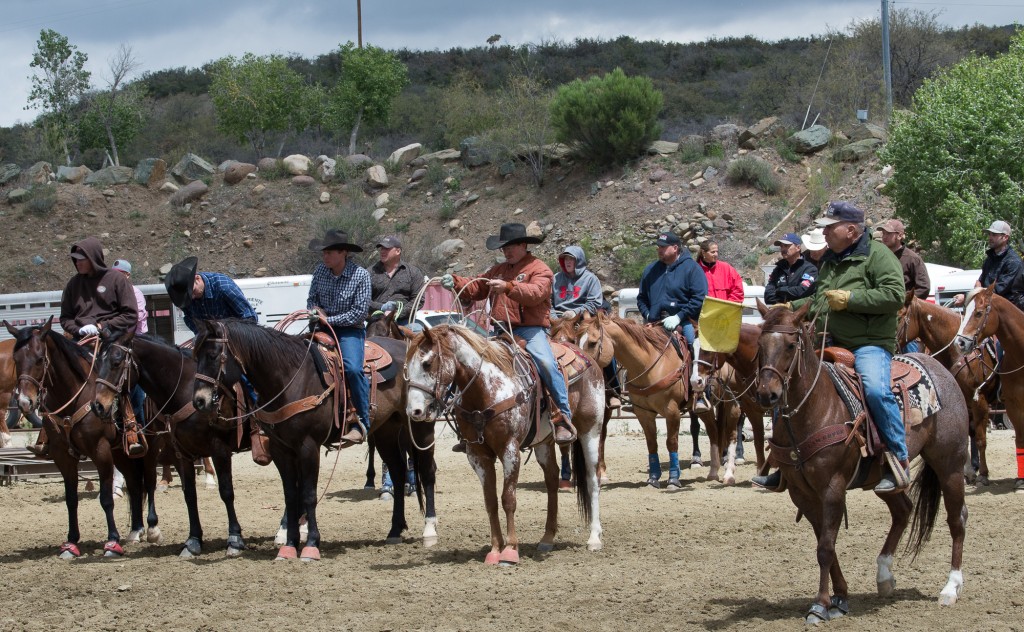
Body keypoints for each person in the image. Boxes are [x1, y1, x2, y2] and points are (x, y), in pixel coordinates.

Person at [754, 201, 908, 493]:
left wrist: (851, 299)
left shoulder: (879, 256)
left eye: (829, 227)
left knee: (875, 388)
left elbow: (894, 295)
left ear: (850, 230)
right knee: (787, 385)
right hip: (831, 341)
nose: (823, 233)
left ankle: (897, 460)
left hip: (869, 344)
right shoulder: (831, 261)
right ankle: (783, 461)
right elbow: (822, 300)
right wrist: (790, 307)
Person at [441, 222, 577, 445]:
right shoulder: (498, 270)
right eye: (504, 247)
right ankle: (468, 421)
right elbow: (477, 286)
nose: (506, 251)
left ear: (523, 245)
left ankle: (562, 415)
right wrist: (456, 282)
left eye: (510, 246)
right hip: (500, 329)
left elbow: (536, 293)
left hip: (531, 330)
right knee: (469, 364)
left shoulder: (540, 268)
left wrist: (509, 288)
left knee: (546, 363)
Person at [29, 238, 139, 457]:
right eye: (75, 259)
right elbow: (66, 317)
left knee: (121, 376)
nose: (77, 263)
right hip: (80, 338)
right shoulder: (73, 284)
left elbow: (130, 314)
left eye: (81, 259)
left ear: (93, 258)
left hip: (112, 339)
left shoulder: (117, 280)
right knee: (55, 371)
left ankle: (131, 427)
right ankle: (47, 432)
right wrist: (79, 330)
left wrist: (102, 326)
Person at [637, 230, 707, 469]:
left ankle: (698, 393)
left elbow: (699, 298)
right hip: (654, 322)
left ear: (676, 248)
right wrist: (647, 315)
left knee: (693, 347)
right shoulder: (651, 270)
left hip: (684, 322)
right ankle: (632, 391)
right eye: (658, 246)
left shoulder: (691, 269)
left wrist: (679, 315)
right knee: (635, 353)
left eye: (663, 247)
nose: (659, 250)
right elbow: (641, 298)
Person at [306, 229, 372, 445]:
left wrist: (329, 320)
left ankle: (361, 421)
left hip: (349, 330)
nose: (325, 257)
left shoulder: (360, 275)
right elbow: (312, 299)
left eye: (329, 253)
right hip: (321, 329)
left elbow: (359, 313)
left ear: (344, 253)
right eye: (323, 253)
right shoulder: (320, 272)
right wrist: (314, 311)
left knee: (352, 368)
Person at [696, 240, 746, 464]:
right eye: (713, 252)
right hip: (703, 323)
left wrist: (727, 309)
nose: (717, 254)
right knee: (696, 354)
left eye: (717, 251)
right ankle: (699, 394)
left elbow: (738, 291)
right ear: (704, 253)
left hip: (725, 322)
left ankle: (745, 388)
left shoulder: (727, 269)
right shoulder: (695, 271)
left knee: (740, 355)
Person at [111, 259, 150, 493]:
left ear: (126, 275)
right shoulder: (109, 295)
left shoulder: (135, 293)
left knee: (136, 390)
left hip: (136, 345)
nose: (115, 278)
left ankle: (142, 431)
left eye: (118, 274)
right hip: (115, 345)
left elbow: (134, 319)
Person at [876, 219, 930, 352]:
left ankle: (913, 366)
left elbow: (924, 286)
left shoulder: (912, 258)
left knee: (908, 347)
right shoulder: (879, 257)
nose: (885, 236)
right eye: (883, 233)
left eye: (889, 233)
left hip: (904, 315)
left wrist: (904, 302)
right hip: (881, 312)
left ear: (900, 235)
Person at [164, 256, 258, 332]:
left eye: (192, 291)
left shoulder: (224, 287)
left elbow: (250, 317)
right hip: (212, 342)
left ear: (197, 278)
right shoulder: (185, 298)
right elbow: (189, 319)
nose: (191, 298)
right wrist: (200, 334)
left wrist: (230, 334)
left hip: (237, 337)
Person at [953, 220, 1024, 311]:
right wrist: (975, 291)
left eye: (994, 235)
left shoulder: (1013, 261)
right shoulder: (990, 259)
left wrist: (968, 295)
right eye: (989, 234)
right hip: (988, 306)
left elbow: (999, 290)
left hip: (1004, 312)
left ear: (1005, 237)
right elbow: (980, 283)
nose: (990, 237)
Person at [367, 235, 425, 327]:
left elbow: (418, 300)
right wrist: (381, 308)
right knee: (361, 338)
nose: (382, 251)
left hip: (405, 321)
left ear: (398, 251)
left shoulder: (413, 272)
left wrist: (397, 313)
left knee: (418, 332)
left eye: (386, 249)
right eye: (381, 248)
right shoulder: (369, 272)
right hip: (376, 320)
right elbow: (363, 300)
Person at [550, 246, 604, 319]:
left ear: (579, 261)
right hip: (558, 318)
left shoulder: (590, 279)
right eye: (566, 259)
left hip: (581, 319)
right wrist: (554, 319)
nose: (568, 261)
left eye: (571, 259)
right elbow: (548, 302)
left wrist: (575, 312)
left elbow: (594, 304)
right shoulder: (555, 278)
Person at [764, 233, 818, 306]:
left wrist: (779, 291)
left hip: (800, 314)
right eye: (781, 246)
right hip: (779, 313)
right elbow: (768, 296)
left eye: (786, 246)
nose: (783, 249)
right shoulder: (778, 269)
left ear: (798, 247)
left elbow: (802, 292)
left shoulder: (809, 269)